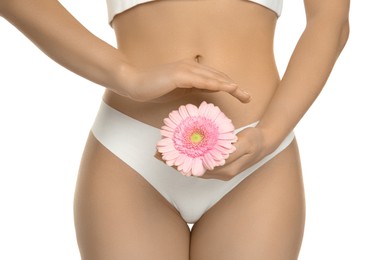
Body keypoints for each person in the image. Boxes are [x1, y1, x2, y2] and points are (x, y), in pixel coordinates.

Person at [0, 0, 349, 259]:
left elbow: (331, 22)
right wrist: (125, 75)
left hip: (256, 150)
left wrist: (269, 135)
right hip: (132, 155)